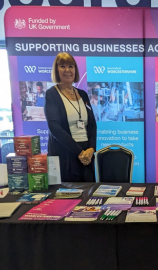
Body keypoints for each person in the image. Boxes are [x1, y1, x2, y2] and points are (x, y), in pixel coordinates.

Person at [44, 52, 97, 182]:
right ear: (56, 70)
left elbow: (92, 125)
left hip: (86, 155)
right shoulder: (52, 94)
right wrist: (79, 152)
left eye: (71, 66)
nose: (67, 70)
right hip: (65, 153)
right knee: (67, 197)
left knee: (88, 195)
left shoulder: (83, 94)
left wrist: (91, 149)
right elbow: (54, 127)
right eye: (62, 66)